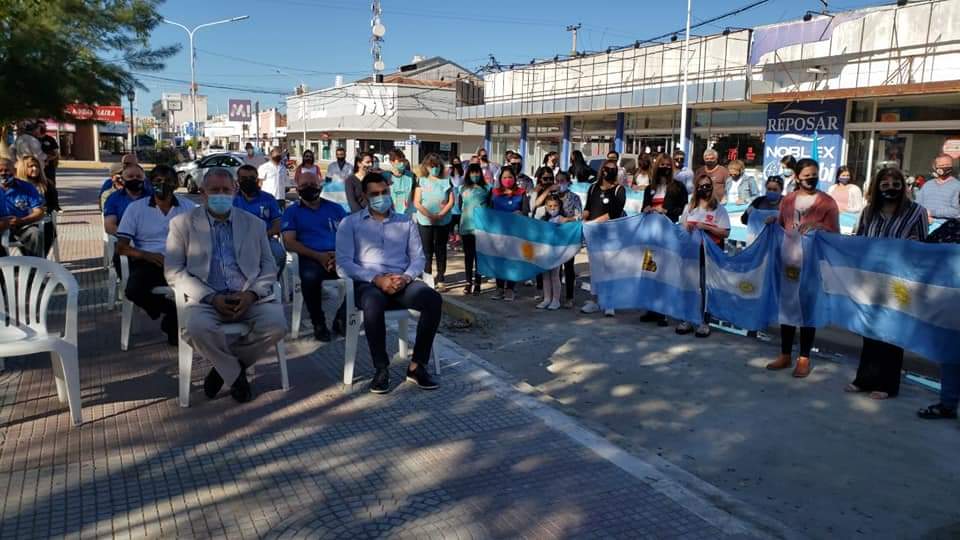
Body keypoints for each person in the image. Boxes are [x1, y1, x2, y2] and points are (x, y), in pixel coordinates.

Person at [165, 168, 286, 403]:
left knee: (276, 325)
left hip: (248, 296)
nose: (221, 195)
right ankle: (236, 376)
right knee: (196, 329)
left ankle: (223, 370)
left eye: (226, 190)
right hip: (206, 298)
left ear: (234, 191)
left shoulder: (254, 224)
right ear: (202, 193)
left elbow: (269, 266)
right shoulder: (182, 224)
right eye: (214, 190)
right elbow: (173, 270)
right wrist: (211, 297)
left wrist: (252, 294)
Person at [335, 175, 442, 394]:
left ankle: (417, 366)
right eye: (375, 194)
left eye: (384, 192)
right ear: (364, 196)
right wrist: (376, 279)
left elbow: (418, 258)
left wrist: (406, 278)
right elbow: (343, 263)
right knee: (372, 303)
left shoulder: (405, 221)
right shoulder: (350, 223)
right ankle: (381, 368)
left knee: (433, 299)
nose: (381, 197)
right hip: (368, 283)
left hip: (401, 281)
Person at [844, 168, 927, 400]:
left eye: (895, 184)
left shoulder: (917, 212)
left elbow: (923, 246)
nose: (890, 188)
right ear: (877, 187)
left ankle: (887, 384)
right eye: (885, 184)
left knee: (892, 331)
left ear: (903, 186)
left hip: (899, 281)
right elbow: (858, 240)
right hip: (870, 279)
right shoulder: (868, 212)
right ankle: (864, 379)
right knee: (869, 329)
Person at [767, 158, 839, 378]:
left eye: (814, 175)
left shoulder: (827, 202)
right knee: (787, 306)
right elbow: (782, 226)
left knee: (808, 308)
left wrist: (819, 225)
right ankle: (785, 354)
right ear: (797, 177)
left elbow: (835, 234)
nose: (811, 179)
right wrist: (772, 222)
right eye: (806, 175)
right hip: (788, 262)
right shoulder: (788, 200)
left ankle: (804, 357)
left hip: (812, 264)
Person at [116, 165, 197, 345]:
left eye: (168, 181)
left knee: (202, 288)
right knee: (133, 290)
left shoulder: (189, 207)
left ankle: (175, 326)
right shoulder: (136, 208)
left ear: (176, 184)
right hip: (149, 261)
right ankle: (172, 312)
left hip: (181, 263)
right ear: (150, 183)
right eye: (157, 181)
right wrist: (147, 255)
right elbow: (121, 247)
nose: (163, 184)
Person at [282, 172, 348, 342]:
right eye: (304, 186)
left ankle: (342, 317)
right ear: (297, 189)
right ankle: (318, 322)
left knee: (363, 275)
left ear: (320, 186)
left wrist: (339, 255)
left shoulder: (336, 209)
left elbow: (350, 235)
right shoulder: (292, 212)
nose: (309, 188)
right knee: (310, 278)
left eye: (313, 184)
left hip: (339, 257)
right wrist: (319, 257)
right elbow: (289, 242)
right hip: (310, 257)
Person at [676, 174, 730, 338]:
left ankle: (704, 322)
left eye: (707, 186)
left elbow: (725, 232)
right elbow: (681, 228)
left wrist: (706, 227)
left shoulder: (719, 209)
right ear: (696, 188)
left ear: (712, 187)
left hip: (709, 254)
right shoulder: (689, 207)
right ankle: (687, 319)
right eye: (701, 186)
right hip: (691, 253)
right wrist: (686, 226)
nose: (704, 189)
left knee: (706, 287)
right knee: (689, 285)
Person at [917, 214, 960, 420]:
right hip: (949, 304)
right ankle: (948, 404)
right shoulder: (951, 226)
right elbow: (924, 250)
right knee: (950, 356)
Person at [639, 154, 689, 326]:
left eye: (668, 165)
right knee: (650, 272)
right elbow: (643, 208)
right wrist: (646, 209)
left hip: (669, 234)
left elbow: (684, 208)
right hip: (651, 235)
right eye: (662, 165)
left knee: (665, 273)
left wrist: (667, 211)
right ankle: (651, 309)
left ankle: (664, 311)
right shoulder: (650, 188)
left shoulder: (678, 187)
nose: (665, 168)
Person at [581, 159, 626, 316]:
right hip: (593, 235)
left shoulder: (619, 190)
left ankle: (609, 302)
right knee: (595, 268)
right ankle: (594, 300)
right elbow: (588, 208)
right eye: (607, 168)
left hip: (611, 234)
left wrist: (593, 222)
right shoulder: (593, 187)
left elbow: (614, 213)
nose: (609, 171)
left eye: (613, 169)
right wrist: (582, 218)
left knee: (610, 268)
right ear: (602, 169)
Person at [413, 154, 455, 292]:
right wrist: (430, 215)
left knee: (441, 250)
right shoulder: (421, 181)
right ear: (426, 167)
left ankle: (441, 278)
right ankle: (428, 279)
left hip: (443, 221)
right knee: (427, 251)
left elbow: (451, 201)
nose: (434, 168)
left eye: (437, 166)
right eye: (431, 166)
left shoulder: (447, 181)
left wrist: (441, 214)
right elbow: (417, 202)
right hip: (425, 221)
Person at [234, 164, 285, 272]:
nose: (248, 181)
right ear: (238, 180)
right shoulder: (232, 199)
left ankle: (271, 280)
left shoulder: (268, 198)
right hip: (237, 241)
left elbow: (278, 224)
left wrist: (262, 236)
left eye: (251, 178)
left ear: (257, 179)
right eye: (244, 178)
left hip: (265, 239)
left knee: (278, 254)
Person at [489, 167, 530, 301]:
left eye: (510, 177)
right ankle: (499, 287)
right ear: (500, 179)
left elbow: (525, 212)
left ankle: (510, 289)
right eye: (504, 177)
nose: (507, 180)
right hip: (498, 232)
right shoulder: (494, 192)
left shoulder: (521, 193)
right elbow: (488, 212)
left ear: (515, 178)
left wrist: (520, 214)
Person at [0, 157, 45, 257]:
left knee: (35, 233)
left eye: (7, 170)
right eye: (0, 171)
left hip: (22, 225)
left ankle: (34, 265)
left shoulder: (27, 187)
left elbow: (39, 211)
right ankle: (4, 265)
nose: (3, 173)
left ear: (15, 171)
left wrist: (22, 221)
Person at [17, 156, 58, 255]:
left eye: (36, 166)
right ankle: (33, 259)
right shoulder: (16, 185)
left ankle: (37, 259)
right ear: (23, 168)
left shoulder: (47, 184)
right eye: (31, 166)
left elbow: (54, 204)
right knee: (32, 234)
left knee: (48, 232)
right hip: (22, 222)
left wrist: (46, 209)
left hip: (43, 219)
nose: (35, 169)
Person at [459, 163, 490, 296]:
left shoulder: (487, 188)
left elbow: (490, 206)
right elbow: (460, 206)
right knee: (468, 256)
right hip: (466, 226)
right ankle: (468, 282)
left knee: (479, 257)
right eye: (472, 172)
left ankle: (478, 283)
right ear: (468, 174)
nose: (475, 175)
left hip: (481, 227)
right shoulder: (462, 188)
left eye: (477, 172)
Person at [553, 171, 583, 308]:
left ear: (568, 182)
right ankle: (556, 296)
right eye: (557, 181)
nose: (559, 184)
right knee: (555, 268)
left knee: (568, 267)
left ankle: (569, 297)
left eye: (562, 181)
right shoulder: (552, 197)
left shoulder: (574, 197)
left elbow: (579, 216)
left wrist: (567, 219)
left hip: (569, 236)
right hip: (554, 237)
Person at [536, 195, 567, 310]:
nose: (552, 208)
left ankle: (556, 300)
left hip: (556, 251)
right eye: (550, 206)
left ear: (559, 206)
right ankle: (547, 299)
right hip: (544, 251)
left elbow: (567, 230)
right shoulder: (543, 219)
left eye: (555, 206)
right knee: (545, 276)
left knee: (554, 275)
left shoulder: (561, 219)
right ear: (546, 206)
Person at [103, 164, 151, 235]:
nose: (135, 179)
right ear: (123, 180)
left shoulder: (153, 197)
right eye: (130, 176)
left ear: (144, 179)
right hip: (123, 238)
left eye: (139, 176)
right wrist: (128, 237)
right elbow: (109, 226)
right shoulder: (113, 198)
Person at [916, 153, 960, 220]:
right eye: (941, 165)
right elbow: (917, 205)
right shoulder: (927, 185)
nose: (945, 167)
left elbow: (956, 211)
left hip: (945, 225)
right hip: (924, 223)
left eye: (948, 165)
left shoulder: (957, 186)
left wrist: (931, 213)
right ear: (934, 167)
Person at [383, 149, 417, 215]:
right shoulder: (385, 176)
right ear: (391, 162)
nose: (402, 163)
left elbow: (415, 194)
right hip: (390, 214)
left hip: (407, 214)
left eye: (403, 160)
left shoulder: (411, 176)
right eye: (399, 161)